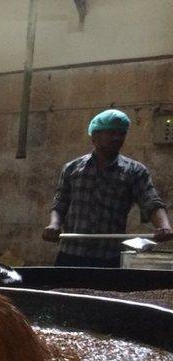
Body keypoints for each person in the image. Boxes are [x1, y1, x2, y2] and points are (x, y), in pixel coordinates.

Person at [43, 108, 171, 267]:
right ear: (94, 136)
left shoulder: (135, 171)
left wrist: (163, 226)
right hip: (71, 254)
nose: (117, 138)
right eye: (111, 133)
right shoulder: (72, 169)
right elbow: (60, 202)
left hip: (108, 258)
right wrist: (54, 224)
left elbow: (151, 201)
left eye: (121, 133)